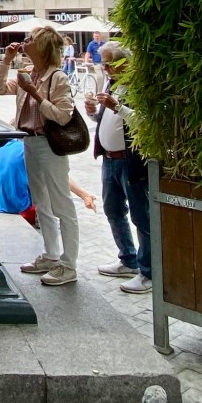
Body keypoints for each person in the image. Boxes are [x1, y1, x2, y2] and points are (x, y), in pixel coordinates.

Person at [0, 26, 79, 286]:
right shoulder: (29, 73)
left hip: (49, 144)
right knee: (41, 201)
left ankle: (69, 264)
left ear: (42, 47)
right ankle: (51, 255)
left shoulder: (57, 78)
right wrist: (6, 61)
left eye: (30, 39)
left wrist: (34, 93)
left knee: (62, 203)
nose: (25, 41)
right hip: (28, 142)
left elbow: (63, 116)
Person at [84, 41, 152, 295]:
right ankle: (128, 259)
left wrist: (118, 107)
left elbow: (145, 121)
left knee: (141, 216)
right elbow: (110, 119)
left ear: (126, 63)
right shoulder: (112, 84)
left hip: (130, 160)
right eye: (104, 63)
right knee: (113, 210)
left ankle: (149, 272)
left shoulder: (139, 87)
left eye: (110, 63)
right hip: (109, 159)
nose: (106, 68)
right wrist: (93, 113)